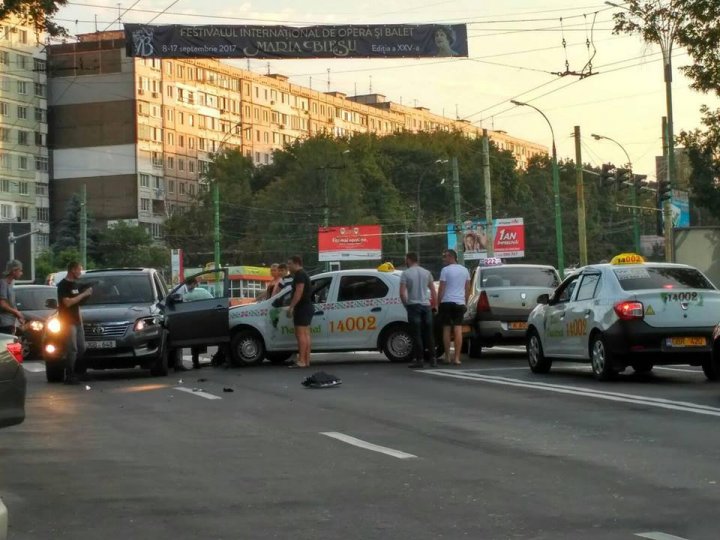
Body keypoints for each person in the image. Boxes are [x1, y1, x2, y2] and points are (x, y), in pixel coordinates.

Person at [400, 252, 437, 369]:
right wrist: (435, 305)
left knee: (416, 334)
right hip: (426, 305)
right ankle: (433, 359)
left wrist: (406, 304)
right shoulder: (427, 273)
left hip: (413, 305)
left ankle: (419, 360)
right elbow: (433, 290)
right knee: (429, 333)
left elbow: (402, 293)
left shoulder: (406, 274)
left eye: (406, 259)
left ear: (409, 260)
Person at [57, 261, 93, 385]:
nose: (80, 272)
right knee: (72, 348)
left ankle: (79, 372)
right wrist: (84, 294)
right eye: (79, 270)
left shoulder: (75, 285)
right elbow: (67, 303)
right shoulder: (63, 285)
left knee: (82, 347)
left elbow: (76, 305)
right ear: (72, 270)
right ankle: (70, 374)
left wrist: (80, 320)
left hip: (77, 320)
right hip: (67, 321)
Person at [437, 249, 470, 365]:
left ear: (451, 256)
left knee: (446, 329)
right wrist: (465, 302)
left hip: (446, 302)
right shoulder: (465, 270)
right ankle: (457, 358)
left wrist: (438, 303)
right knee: (458, 329)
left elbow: (441, 289)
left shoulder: (445, 270)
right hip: (459, 303)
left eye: (445, 256)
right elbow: (467, 289)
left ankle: (447, 357)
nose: (443, 259)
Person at [177, 276, 213, 370]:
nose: (195, 287)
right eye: (195, 284)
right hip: (183, 319)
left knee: (194, 341)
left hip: (186, 319)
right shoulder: (182, 290)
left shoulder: (185, 290)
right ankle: (188, 363)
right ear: (192, 283)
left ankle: (194, 362)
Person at [287, 255, 313, 368]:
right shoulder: (303, 274)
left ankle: (302, 360)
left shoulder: (299, 275)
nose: (288, 266)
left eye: (289, 264)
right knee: (306, 335)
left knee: (301, 335)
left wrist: (291, 306)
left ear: (296, 263)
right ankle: (306, 361)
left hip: (302, 308)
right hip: (306, 307)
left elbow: (299, 292)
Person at [0, 260, 24, 336]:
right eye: (20, 270)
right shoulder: (3, 283)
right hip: (3, 323)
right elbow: (2, 304)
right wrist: (16, 312)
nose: (21, 273)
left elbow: (11, 304)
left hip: (10, 322)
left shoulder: (11, 284)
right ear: (14, 271)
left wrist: (18, 316)